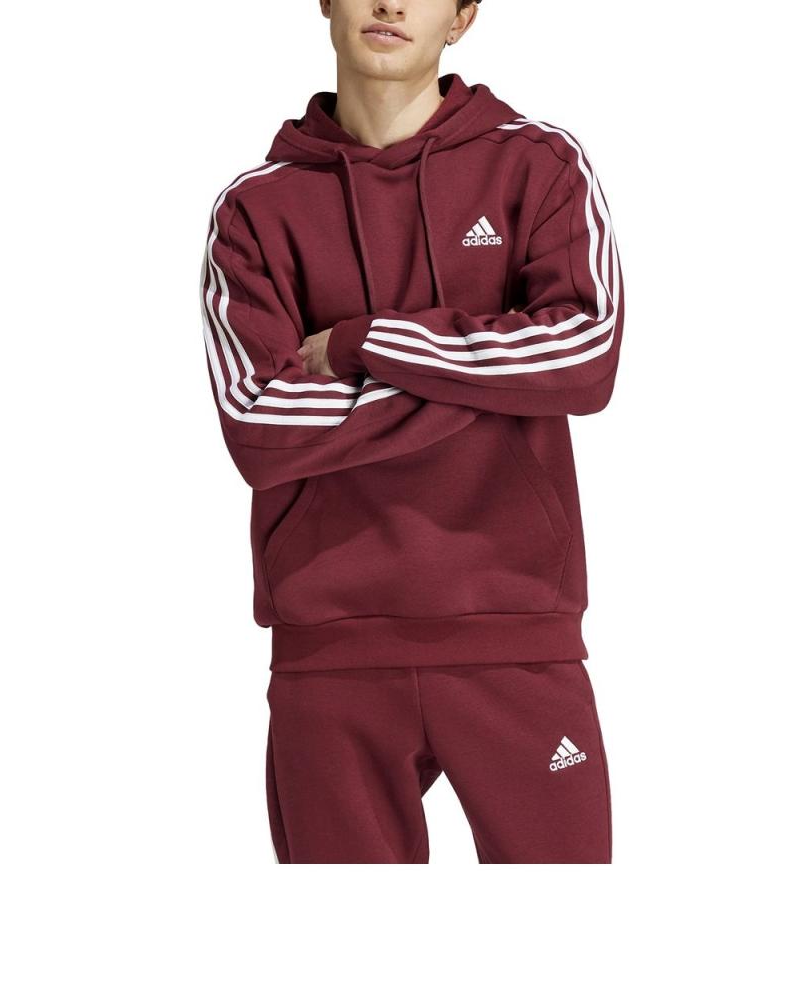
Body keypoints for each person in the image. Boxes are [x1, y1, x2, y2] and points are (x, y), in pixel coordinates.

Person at [199, 0, 624, 863]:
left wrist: (363, 344)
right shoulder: (255, 211)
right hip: (330, 654)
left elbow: (584, 355)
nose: (391, 3)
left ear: (462, 17)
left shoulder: (538, 166)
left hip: (516, 635)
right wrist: (493, 372)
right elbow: (260, 422)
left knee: (572, 931)